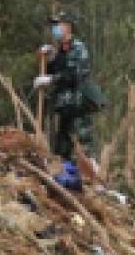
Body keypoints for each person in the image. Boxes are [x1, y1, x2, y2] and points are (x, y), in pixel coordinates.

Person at [34, 14, 95, 162]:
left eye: (58, 25)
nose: (55, 29)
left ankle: (93, 181)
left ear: (68, 27)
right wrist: (49, 60)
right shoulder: (61, 51)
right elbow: (55, 70)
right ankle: (64, 181)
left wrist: (50, 79)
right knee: (62, 151)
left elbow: (74, 75)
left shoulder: (79, 48)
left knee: (82, 150)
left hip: (77, 108)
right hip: (65, 109)